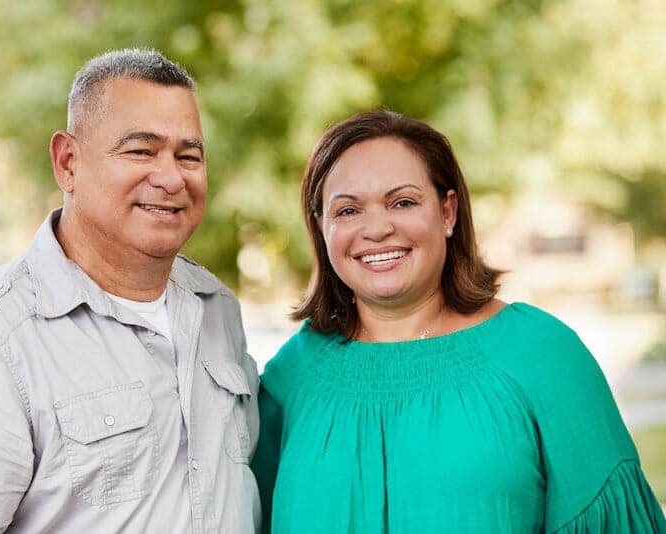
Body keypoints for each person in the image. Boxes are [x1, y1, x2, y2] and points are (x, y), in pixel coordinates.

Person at [0, 49, 261, 533]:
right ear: (68, 162)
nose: (171, 177)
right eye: (140, 151)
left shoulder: (217, 310)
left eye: (189, 156)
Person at [252, 110, 666, 533]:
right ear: (321, 226)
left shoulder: (542, 356)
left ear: (448, 213)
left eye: (403, 202)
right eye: (347, 211)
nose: (376, 228)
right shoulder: (294, 375)